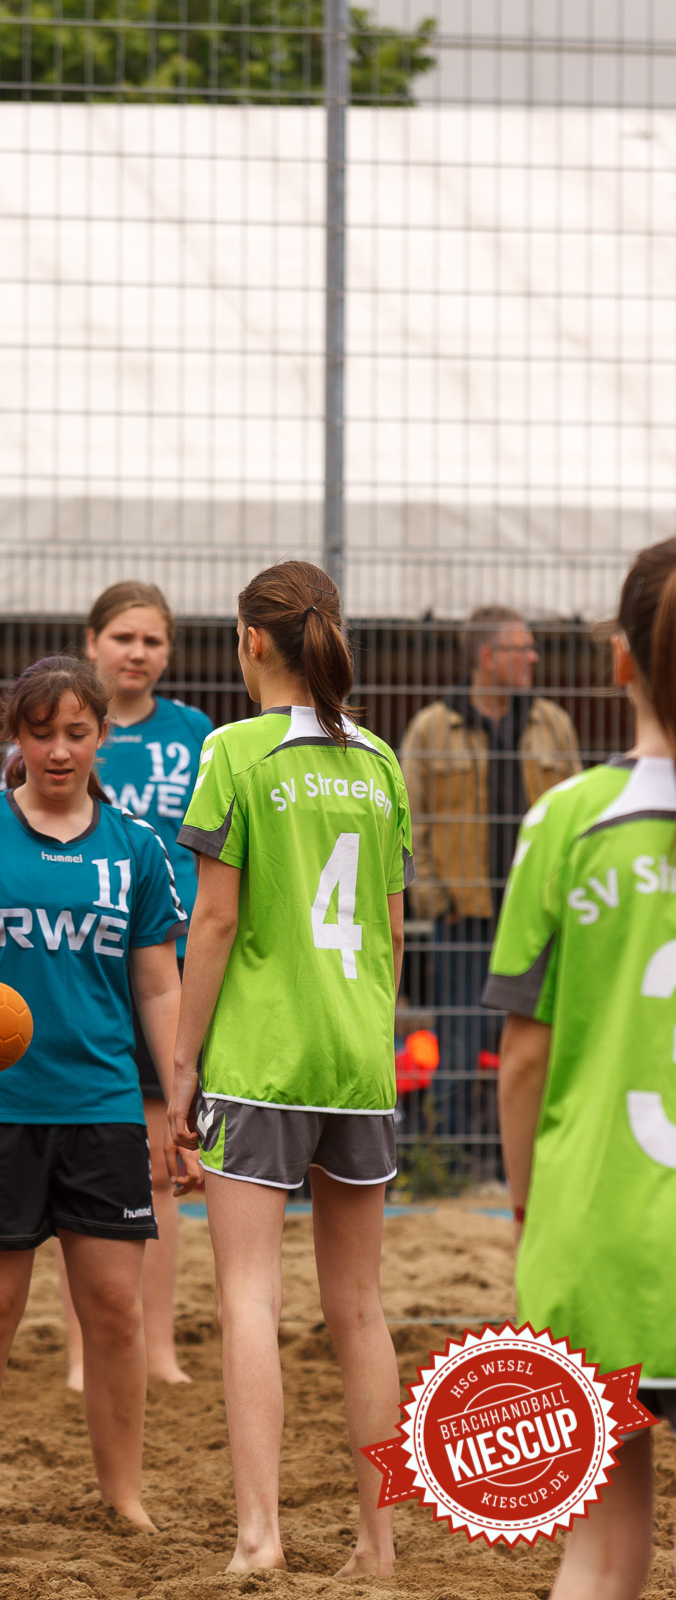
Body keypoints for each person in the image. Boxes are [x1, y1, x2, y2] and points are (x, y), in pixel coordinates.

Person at [0, 655, 199, 1538]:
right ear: (16, 736)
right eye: (42, 733)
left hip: (104, 1107)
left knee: (114, 1309)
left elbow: (157, 987)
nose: (59, 750)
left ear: (103, 736)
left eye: (77, 732)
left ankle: (124, 1496)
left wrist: (179, 1102)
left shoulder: (137, 847)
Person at [168, 559, 413, 1577]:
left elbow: (215, 920)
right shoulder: (380, 761)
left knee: (248, 1301)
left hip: (259, 1059)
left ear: (251, 642)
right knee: (358, 1309)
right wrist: (364, 1037)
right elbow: (391, 934)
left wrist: (181, 1064)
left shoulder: (233, 751)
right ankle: (378, 1540)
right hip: (357, 1058)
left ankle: (259, 1537)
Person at [485, 539, 676, 1599]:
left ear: (618, 662)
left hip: (598, 1233)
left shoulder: (562, 821)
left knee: (600, 1551)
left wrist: (524, 1212)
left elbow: (522, 1059)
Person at [46, 581, 212, 1388]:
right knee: (78, 1156)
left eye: (151, 640)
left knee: (159, 1163)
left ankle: (158, 1347)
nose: (136, 653)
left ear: (168, 652)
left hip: (164, 961)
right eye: (122, 638)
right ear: (91, 642)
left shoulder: (194, 735)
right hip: (80, 956)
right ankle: (83, 1351)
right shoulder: (65, 730)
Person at [399, 606, 580, 1165]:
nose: (533, 658)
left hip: (537, 915)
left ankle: (522, 1159)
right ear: (486, 657)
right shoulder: (433, 727)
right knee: (459, 1039)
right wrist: (434, 899)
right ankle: (451, 1165)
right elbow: (410, 819)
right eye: (521, 648)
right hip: (466, 917)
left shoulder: (552, 723)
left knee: (533, 1038)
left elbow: (573, 813)